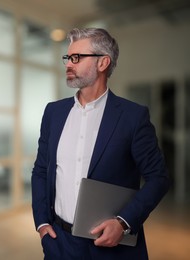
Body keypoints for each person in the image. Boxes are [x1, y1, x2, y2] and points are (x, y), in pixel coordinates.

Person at [31, 28, 170, 259]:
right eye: (68, 57)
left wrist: (124, 223)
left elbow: (159, 177)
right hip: (59, 243)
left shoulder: (132, 117)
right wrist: (42, 224)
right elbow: (41, 170)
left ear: (103, 62)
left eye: (77, 57)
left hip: (110, 248)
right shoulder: (53, 112)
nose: (68, 64)